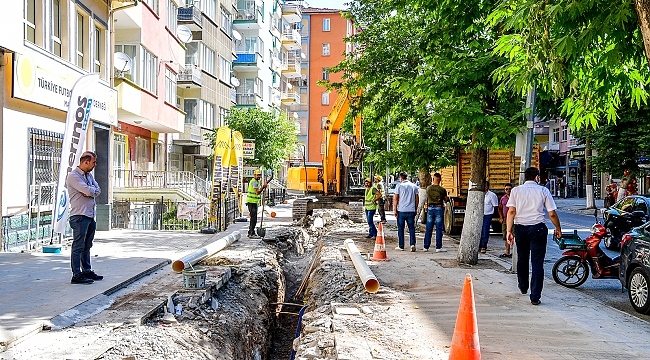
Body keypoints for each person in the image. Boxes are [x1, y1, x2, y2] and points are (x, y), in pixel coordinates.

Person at [506, 167, 562, 306]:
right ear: (537, 177)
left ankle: (523, 286)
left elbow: (511, 211)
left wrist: (509, 231)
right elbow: (552, 213)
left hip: (520, 229)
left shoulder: (516, 191)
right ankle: (535, 296)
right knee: (537, 262)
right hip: (538, 229)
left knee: (522, 258)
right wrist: (558, 228)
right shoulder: (543, 191)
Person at [67, 151, 103, 285]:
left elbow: (97, 190)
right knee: (78, 245)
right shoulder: (73, 176)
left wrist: (90, 191)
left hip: (89, 215)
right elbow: (89, 191)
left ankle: (86, 270)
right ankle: (76, 274)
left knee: (87, 245)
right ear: (85, 162)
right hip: (79, 216)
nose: (95, 164)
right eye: (93, 162)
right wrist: (90, 191)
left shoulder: (89, 176)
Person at [393, 172, 419, 252]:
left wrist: (395, 209)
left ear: (401, 178)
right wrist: (415, 208)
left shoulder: (399, 186)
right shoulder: (414, 186)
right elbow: (417, 199)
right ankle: (412, 244)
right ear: (407, 177)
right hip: (411, 210)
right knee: (411, 228)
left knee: (401, 228)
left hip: (401, 210)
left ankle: (401, 246)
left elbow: (396, 198)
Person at [423, 173, 448, 252]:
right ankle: (438, 247)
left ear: (433, 179)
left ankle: (426, 247)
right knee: (439, 228)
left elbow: (426, 198)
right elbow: (446, 199)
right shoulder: (442, 190)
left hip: (430, 209)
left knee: (429, 228)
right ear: (440, 180)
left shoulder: (428, 188)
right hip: (439, 208)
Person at [246, 169, 267, 238]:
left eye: (259, 175)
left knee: (253, 218)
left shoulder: (255, 181)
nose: (259, 176)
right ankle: (251, 233)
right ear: (254, 175)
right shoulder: (254, 182)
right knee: (253, 219)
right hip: (251, 202)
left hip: (253, 202)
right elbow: (257, 192)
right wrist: (263, 187)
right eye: (257, 175)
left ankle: (251, 232)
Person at [480, 181, 499, 254]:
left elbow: (495, 206)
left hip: (487, 215)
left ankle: (483, 246)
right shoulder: (480, 194)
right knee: (480, 230)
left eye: (485, 186)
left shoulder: (491, 195)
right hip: (480, 215)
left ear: (487, 186)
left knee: (485, 230)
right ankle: (479, 245)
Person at [498, 183, 513, 258]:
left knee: (515, 235)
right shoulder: (503, 198)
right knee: (505, 236)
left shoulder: (514, 198)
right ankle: (507, 252)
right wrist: (501, 217)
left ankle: (516, 252)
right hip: (505, 220)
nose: (508, 190)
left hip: (514, 220)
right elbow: (500, 208)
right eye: (506, 189)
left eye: (509, 189)